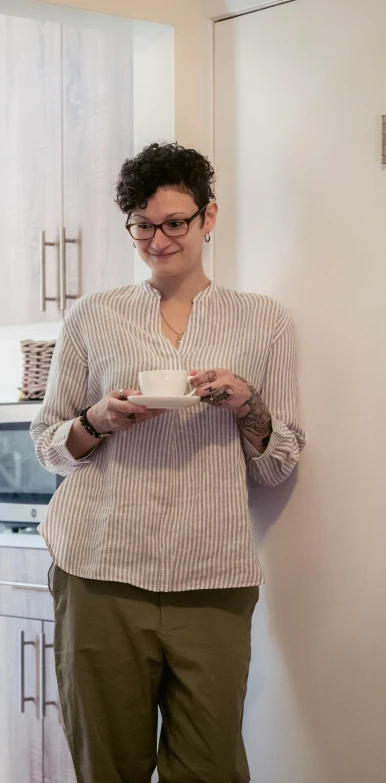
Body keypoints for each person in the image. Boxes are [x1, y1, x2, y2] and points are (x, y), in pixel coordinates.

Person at [31, 142, 306, 783]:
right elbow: (47, 442)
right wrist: (98, 420)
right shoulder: (93, 315)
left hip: (213, 579)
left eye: (174, 223)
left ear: (208, 217)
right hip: (98, 572)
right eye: (142, 225)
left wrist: (247, 404)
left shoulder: (262, 321)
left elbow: (278, 462)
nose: (158, 240)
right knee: (109, 767)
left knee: (211, 769)